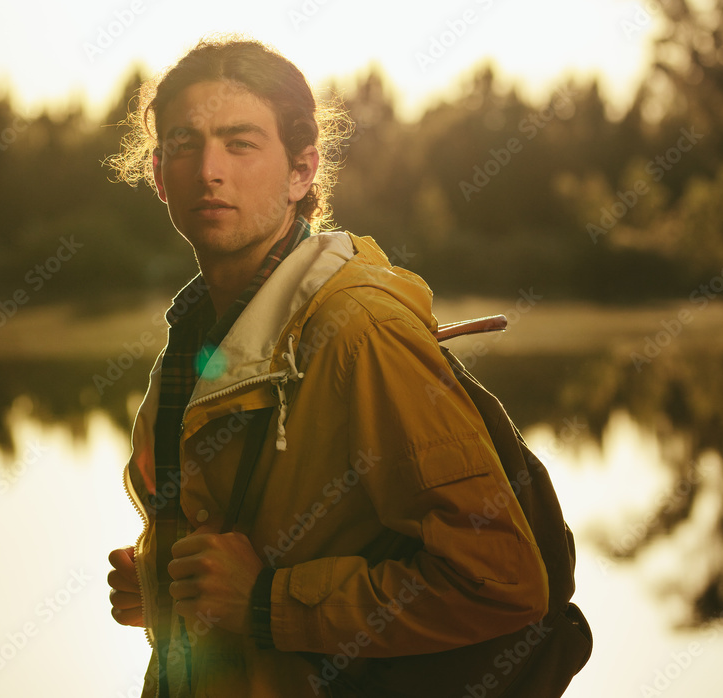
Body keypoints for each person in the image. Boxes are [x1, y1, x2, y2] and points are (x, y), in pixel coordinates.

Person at [107, 37, 549, 698]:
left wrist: (266, 601)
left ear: (302, 172)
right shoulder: (197, 330)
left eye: (241, 143)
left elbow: (499, 578)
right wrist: (162, 582)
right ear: (159, 172)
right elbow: (246, 540)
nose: (209, 170)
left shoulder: (361, 331)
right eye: (184, 142)